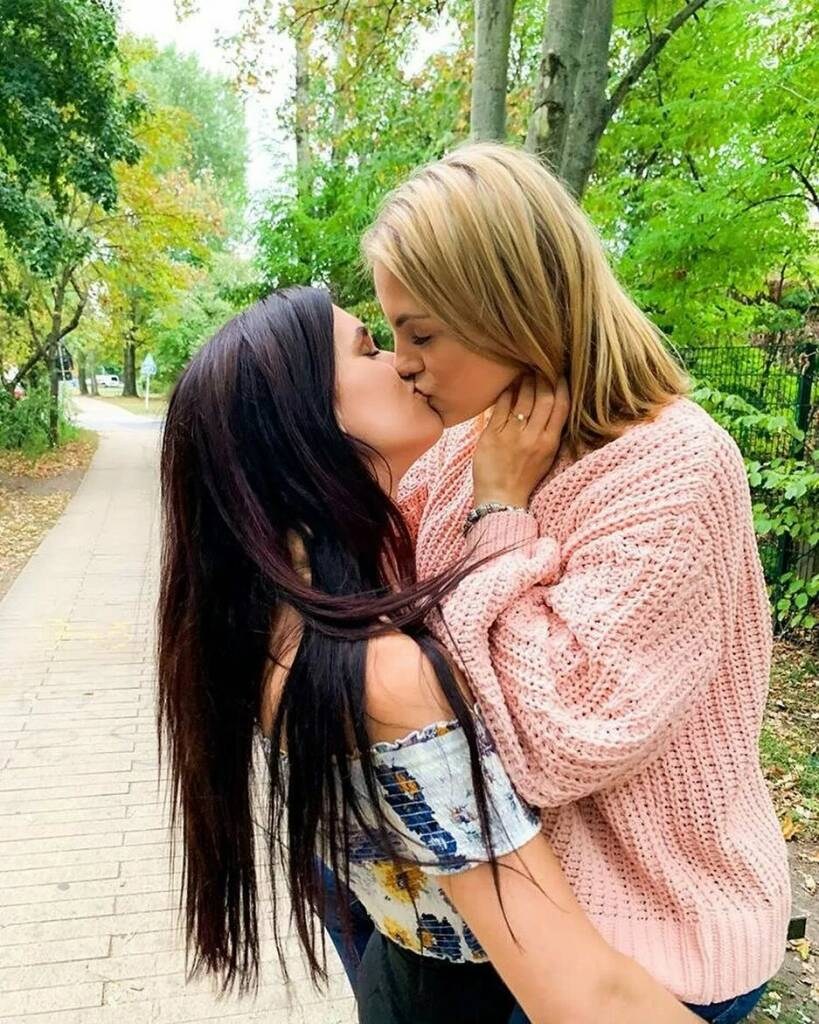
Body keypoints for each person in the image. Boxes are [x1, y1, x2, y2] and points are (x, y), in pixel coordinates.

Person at [156, 286, 702, 1024]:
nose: (404, 364)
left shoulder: (275, 622)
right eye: (369, 349)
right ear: (301, 421)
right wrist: (500, 510)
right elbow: (581, 993)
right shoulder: (384, 676)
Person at [357, 141, 791, 1024]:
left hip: (647, 940)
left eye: (421, 332)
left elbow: (557, 739)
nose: (402, 360)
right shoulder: (466, 444)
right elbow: (393, 624)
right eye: (391, 333)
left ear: (512, 306)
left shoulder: (671, 466)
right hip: (505, 917)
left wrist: (499, 515)